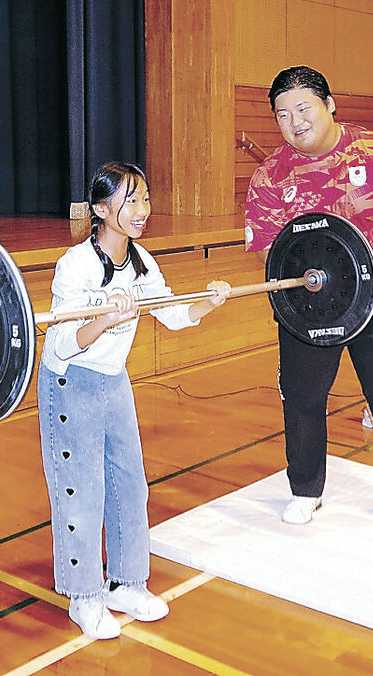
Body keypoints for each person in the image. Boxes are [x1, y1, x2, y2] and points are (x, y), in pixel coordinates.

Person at [38, 162, 230, 639]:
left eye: (144, 199)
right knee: (81, 489)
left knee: (129, 483)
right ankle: (84, 596)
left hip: (112, 379)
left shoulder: (141, 262)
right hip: (71, 380)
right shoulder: (76, 264)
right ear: (102, 210)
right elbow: (62, 342)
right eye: (130, 202)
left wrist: (211, 299)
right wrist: (105, 317)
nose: (142, 210)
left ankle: (127, 582)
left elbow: (175, 314)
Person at [244, 66, 373, 526]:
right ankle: (306, 489)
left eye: (303, 109)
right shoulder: (270, 176)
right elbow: (266, 247)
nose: (295, 122)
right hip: (306, 310)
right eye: (283, 115)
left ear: (330, 106)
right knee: (303, 396)